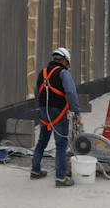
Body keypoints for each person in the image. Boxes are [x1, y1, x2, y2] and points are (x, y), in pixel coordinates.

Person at [31, 47, 80, 187]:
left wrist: (42, 107)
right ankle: (60, 178)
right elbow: (71, 93)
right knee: (61, 144)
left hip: (44, 111)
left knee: (42, 141)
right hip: (58, 112)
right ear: (64, 60)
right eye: (68, 63)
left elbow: (36, 92)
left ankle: (35, 170)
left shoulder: (43, 72)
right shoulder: (63, 73)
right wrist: (76, 112)